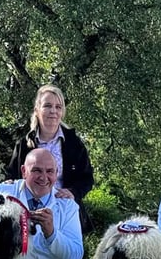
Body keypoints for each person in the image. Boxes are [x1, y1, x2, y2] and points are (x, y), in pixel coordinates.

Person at [6, 84, 95, 233]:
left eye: (58, 107)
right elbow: (12, 176)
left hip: (65, 214)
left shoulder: (74, 143)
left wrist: (73, 192)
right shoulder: (24, 144)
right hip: (29, 215)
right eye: (48, 106)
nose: (53, 111)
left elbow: (87, 179)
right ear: (37, 110)